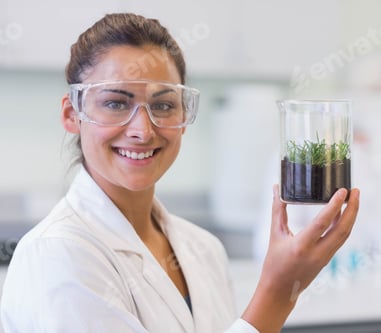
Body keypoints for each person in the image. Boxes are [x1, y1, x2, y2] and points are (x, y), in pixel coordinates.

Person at [0, 13, 360, 333]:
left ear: (183, 117)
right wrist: (278, 292)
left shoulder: (202, 249)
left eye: (163, 105)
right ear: (72, 115)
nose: (143, 129)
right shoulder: (57, 256)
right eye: (115, 103)